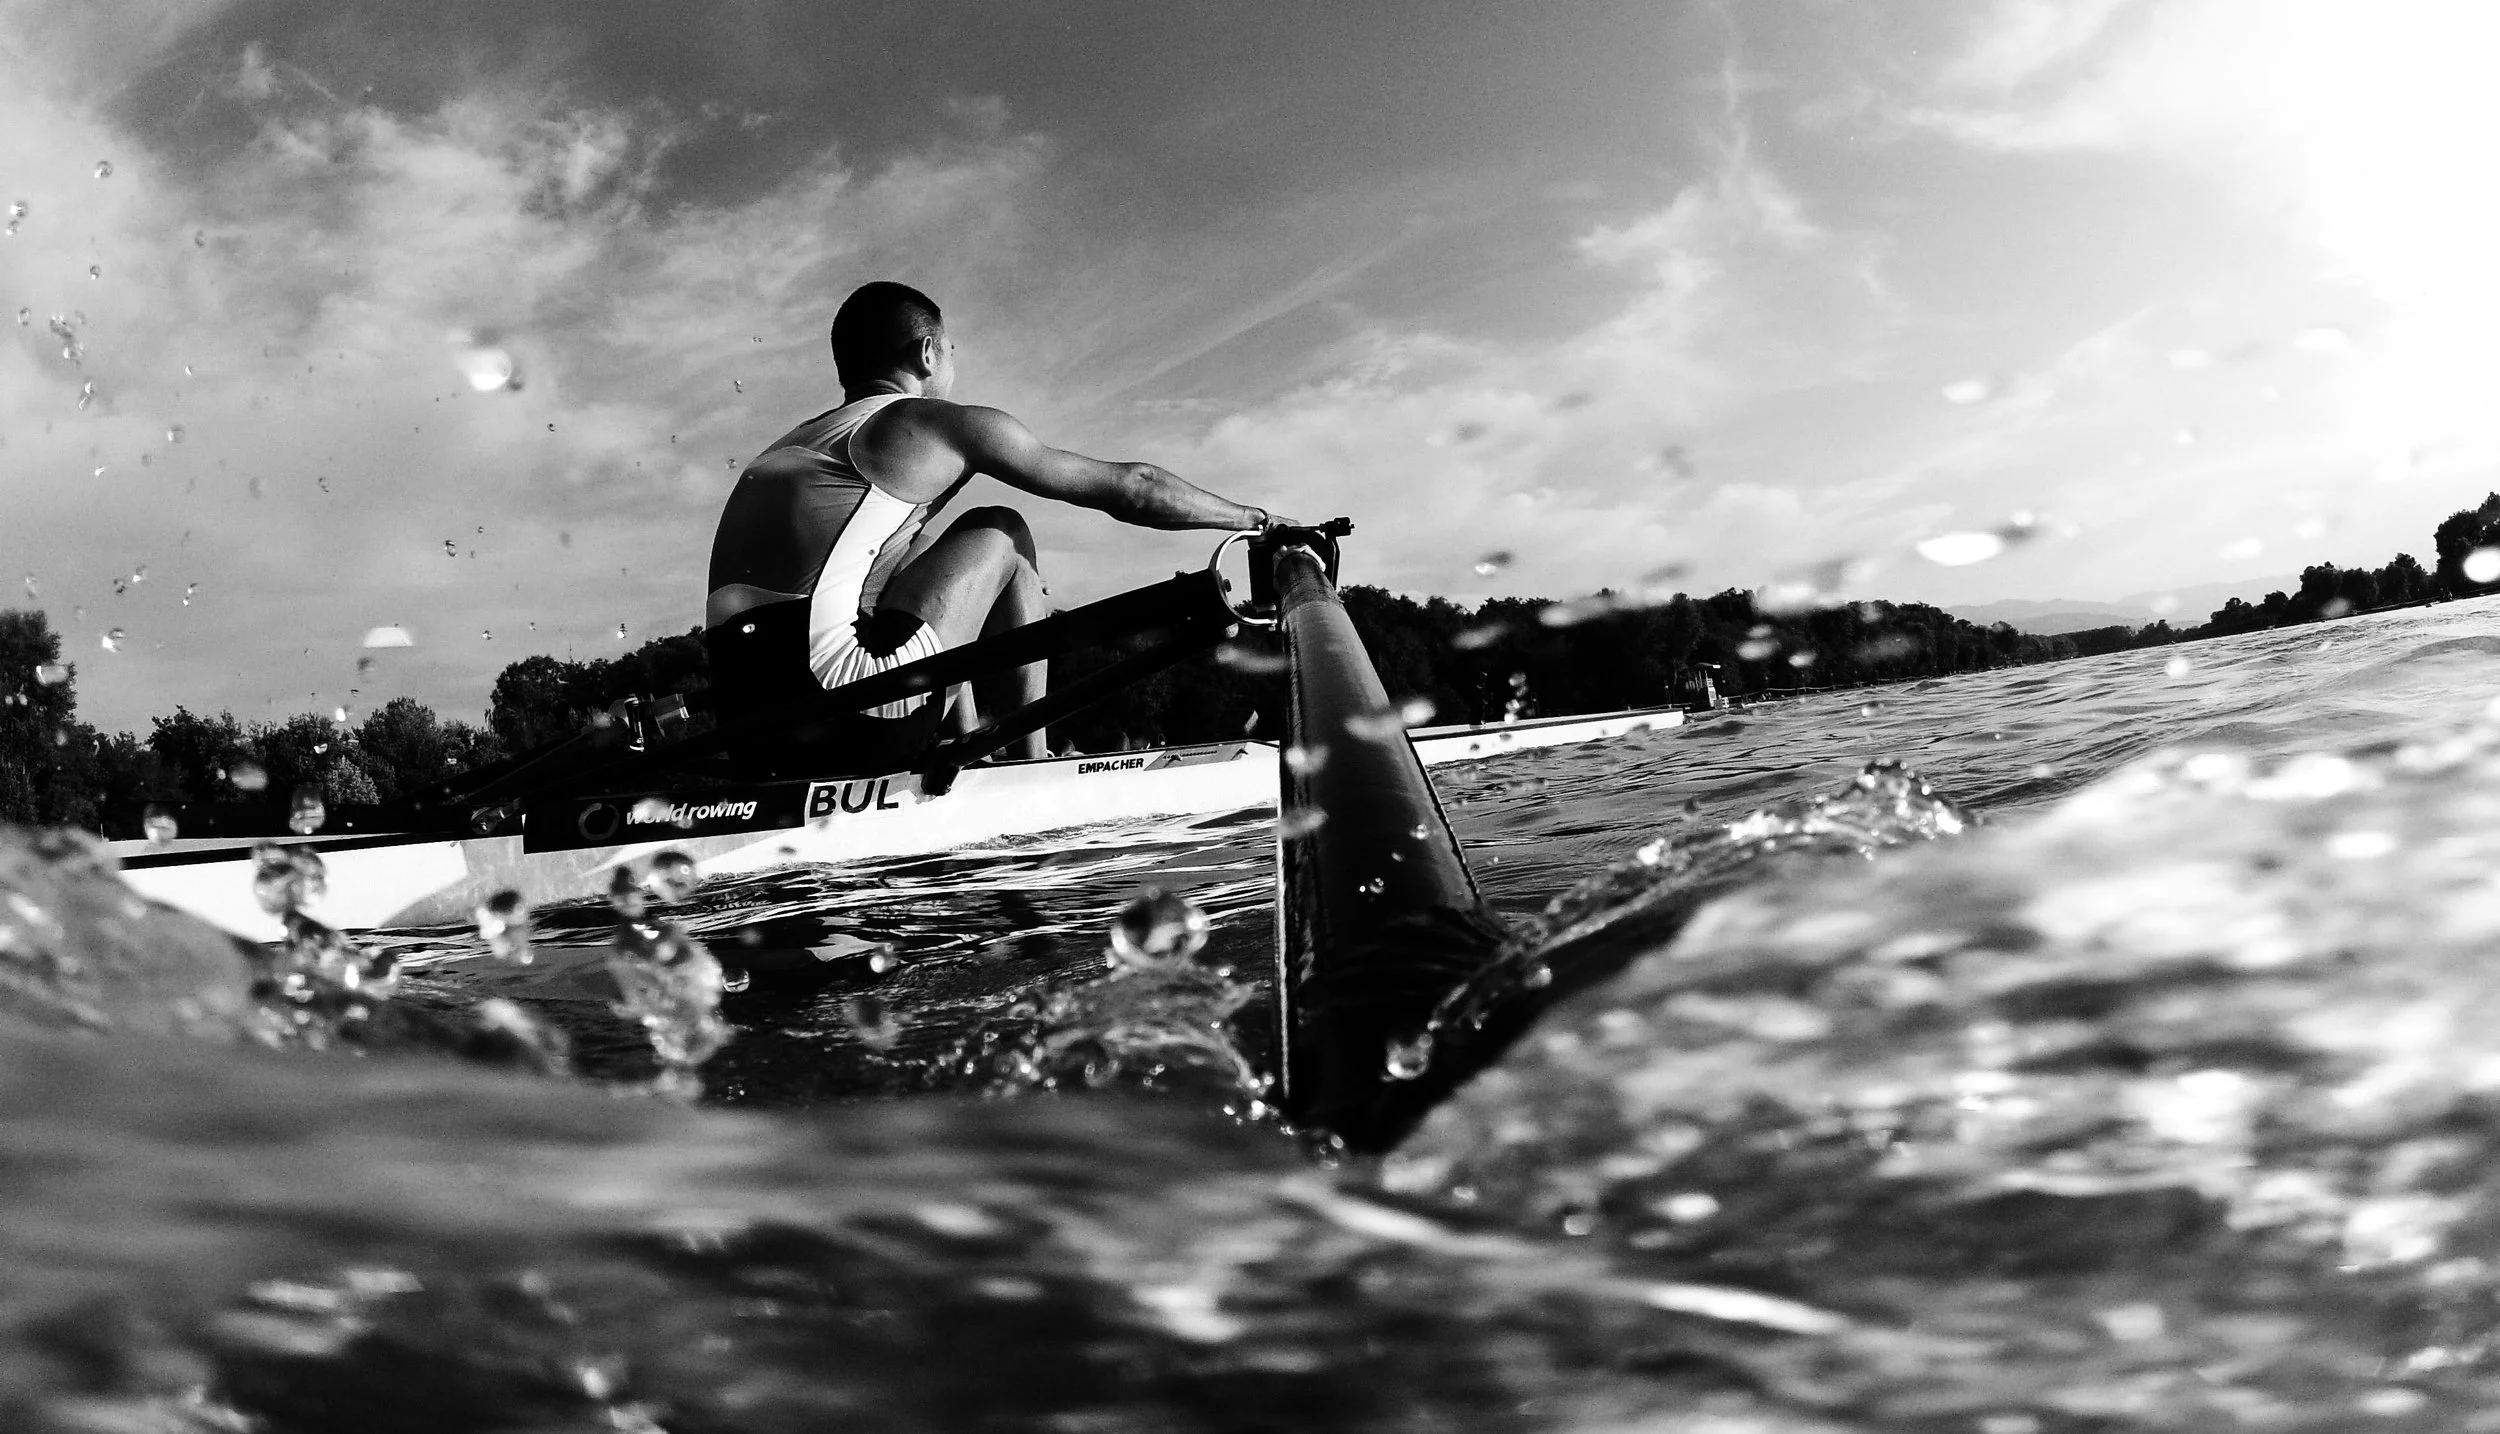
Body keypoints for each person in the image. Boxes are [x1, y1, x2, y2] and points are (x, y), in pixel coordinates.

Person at [705, 281, 1289, 769]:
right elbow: (1133, 489)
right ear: (927, 352)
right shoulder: (934, 424)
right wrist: (1256, 521)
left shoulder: (790, 446)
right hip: (849, 717)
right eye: (953, 349)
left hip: (750, 733)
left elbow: (905, 589)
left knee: (922, 550)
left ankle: (966, 744)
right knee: (1000, 528)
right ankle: (1028, 761)